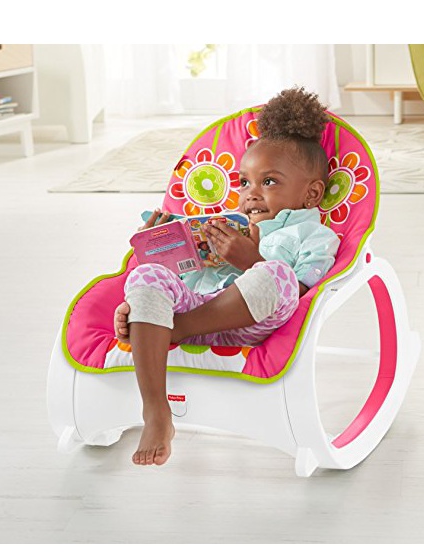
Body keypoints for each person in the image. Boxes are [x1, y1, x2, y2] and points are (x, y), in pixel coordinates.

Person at [114, 87, 340, 466]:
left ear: (312, 193)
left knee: (277, 274)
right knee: (147, 274)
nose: (251, 194)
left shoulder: (312, 235)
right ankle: (156, 410)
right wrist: (157, 248)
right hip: (194, 306)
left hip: (248, 324)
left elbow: (299, 294)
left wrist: (251, 260)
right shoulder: (222, 225)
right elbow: (179, 282)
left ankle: (173, 328)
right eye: (244, 182)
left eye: (269, 182)